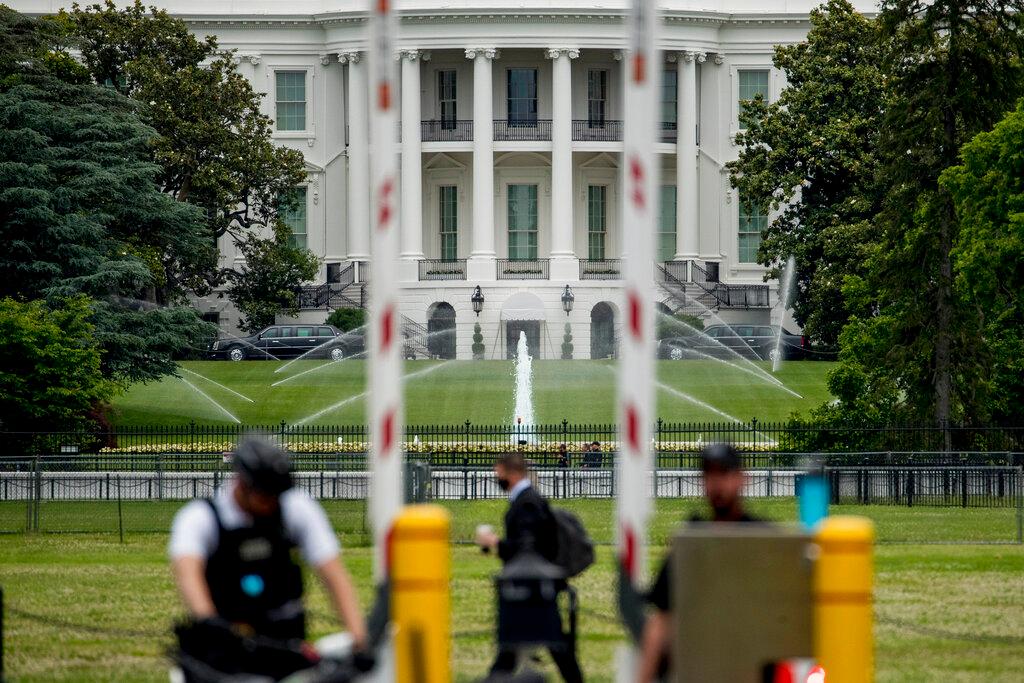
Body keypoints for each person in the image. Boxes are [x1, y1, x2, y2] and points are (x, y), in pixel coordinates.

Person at [169, 438, 367, 671]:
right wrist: (207, 619)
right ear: (242, 484)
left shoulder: (296, 507)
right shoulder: (199, 518)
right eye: (266, 496)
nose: (272, 503)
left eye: (277, 495)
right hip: (224, 650)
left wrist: (360, 641)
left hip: (285, 645)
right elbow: (188, 573)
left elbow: (333, 574)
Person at [636, 443, 760, 682]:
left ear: (742, 479)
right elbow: (661, 618)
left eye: (723, 473)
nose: (716, 484)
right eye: (709, 475)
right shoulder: (689, 541)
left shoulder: (764, 537)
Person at [476, 453, 584, 683]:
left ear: (513, 473)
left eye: (500, 474)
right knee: (549, 647)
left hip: (532, 586)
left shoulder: (527, 502)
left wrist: (495, 543)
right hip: (534, 585)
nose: (498, 478)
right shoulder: (527, 499)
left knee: (547, 646)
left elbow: (528, 547)